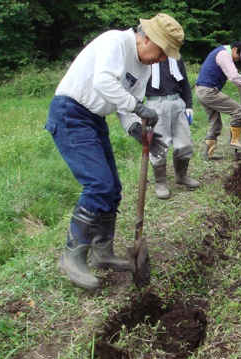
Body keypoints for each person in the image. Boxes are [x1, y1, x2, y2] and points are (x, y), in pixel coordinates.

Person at [44, 13, 183, 289]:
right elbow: (104, 83)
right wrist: (137, 107)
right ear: (146, 38)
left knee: (113, 188)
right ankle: (71, 256)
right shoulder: (114, 42)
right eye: (162, 51)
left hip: (94, 119)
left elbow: (125, 105)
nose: (162, 59)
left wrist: (135, 127)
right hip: (70, 113)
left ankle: (102, 252)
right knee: (98, 185)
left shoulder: (145, 66)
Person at [145, 56, 200, 199]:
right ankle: (161, 183)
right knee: (159, 146)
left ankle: (181, 176)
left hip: (177, 102)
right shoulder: (147, 57)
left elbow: (185, 82)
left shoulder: (176, 57)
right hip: (155, 104)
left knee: (185, 143)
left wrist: (188, 105)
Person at [195, 41, 241, 160]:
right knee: (238, 110)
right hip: (209, 91)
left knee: (215, 124)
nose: (237, 60)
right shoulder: (224, 54)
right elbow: (233, 76)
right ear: (234, 50)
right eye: (238, 56)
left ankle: (208, 154)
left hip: (201, 90)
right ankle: (235, 140)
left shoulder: (218, 51)